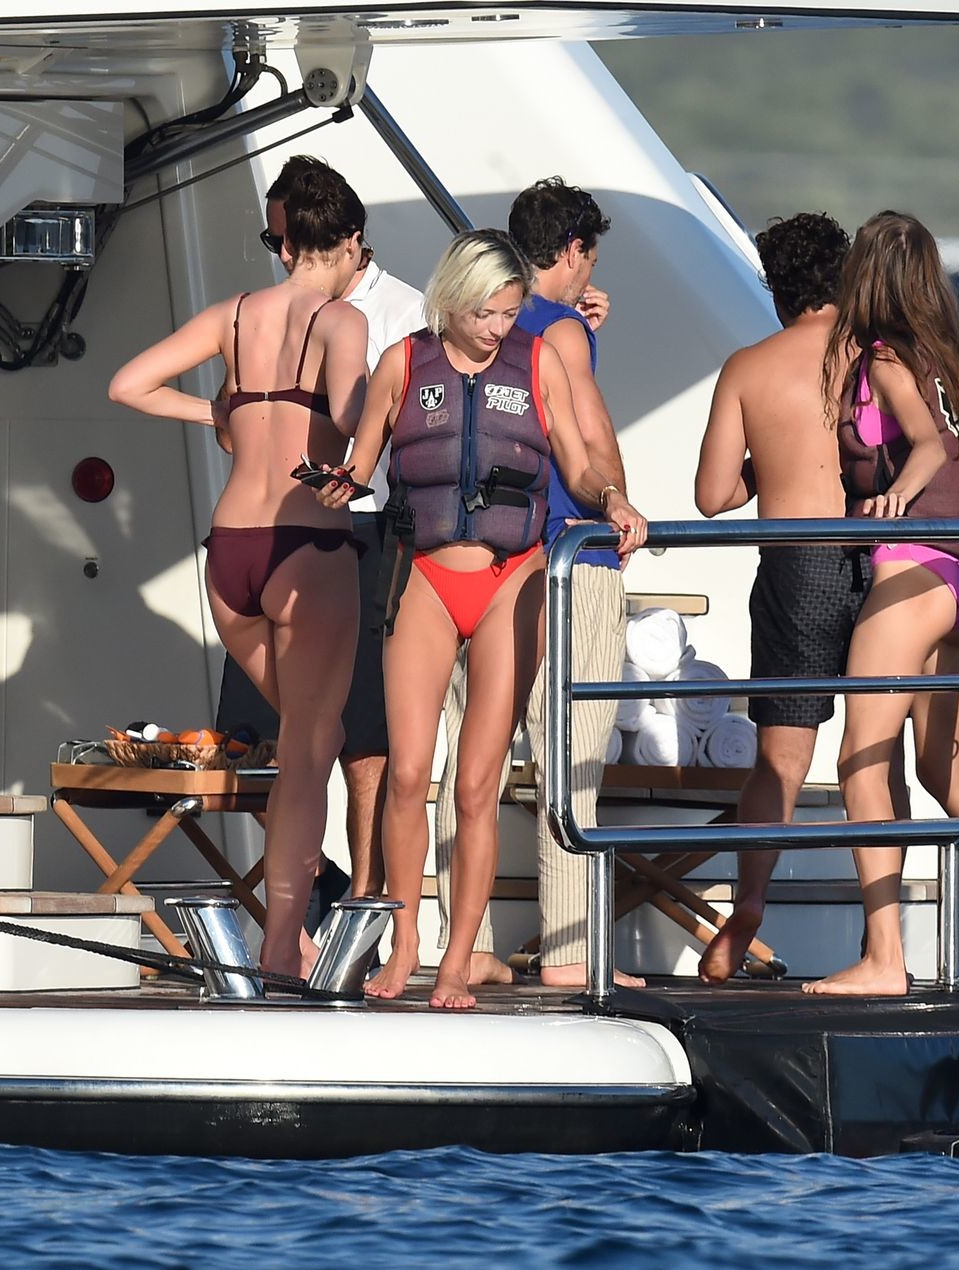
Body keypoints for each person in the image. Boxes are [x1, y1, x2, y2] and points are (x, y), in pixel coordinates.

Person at [325, 229, 640, 1009]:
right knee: (408, 774)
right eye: (486, 314)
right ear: (453, 302)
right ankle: (407, 944)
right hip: (426, 578)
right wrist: (336, 482)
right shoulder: (404, 363)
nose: (499, 328)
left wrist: (612, 500)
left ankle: (460, 962)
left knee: (475, 787)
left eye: (508, 312)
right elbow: (361, 464)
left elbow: (578, 461)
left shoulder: (539, 362)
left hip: (511, 581)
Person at [108, 165, 371, 978]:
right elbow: (353, 416)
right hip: (306, 544)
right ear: (350, 241)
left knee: (306, 740)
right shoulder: (342, 320)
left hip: (231, 553)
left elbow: (127, 385)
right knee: (310, 752)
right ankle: (283, 942)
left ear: (289, 243)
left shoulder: (232, 315)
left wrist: (220, 409)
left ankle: (292, 931)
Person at [803, 211, 959, 996]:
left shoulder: (883, 357)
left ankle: (884, 958)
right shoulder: (940, 355)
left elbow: (930, 445)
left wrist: (894, 501)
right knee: (944, 772)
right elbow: (954, 445)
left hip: (915, 567)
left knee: (860, 761)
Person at [432, 180, 648, 990]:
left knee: (470, 762)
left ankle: (462, 944)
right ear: (573, 251)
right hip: (563, 559)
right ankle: (567, 952)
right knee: (571, 759)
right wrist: (617, 506)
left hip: (474, 563)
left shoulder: (473, 324)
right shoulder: (558, 334)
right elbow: (586, 441)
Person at [694, 211, 906, 984]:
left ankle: (750, 903)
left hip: (796, 567)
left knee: (780, 761)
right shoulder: (878, 358)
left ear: (775, 288)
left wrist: (774, 463)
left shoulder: (750, 367)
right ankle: (885, 943)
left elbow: (713, 495)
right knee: (878, 757)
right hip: (883, 558)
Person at [215, 155, 425, 905]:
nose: (283, 255)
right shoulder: (272, 311)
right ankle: (316, 894)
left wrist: (340, 455)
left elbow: (401, 428)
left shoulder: (400, 313)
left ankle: (360, 902)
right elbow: (232, 424)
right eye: (275, 241)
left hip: (363, 530)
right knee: (264, 739)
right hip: (273, 529)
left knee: (362, 737)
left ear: (347, 241)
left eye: (293, 241)